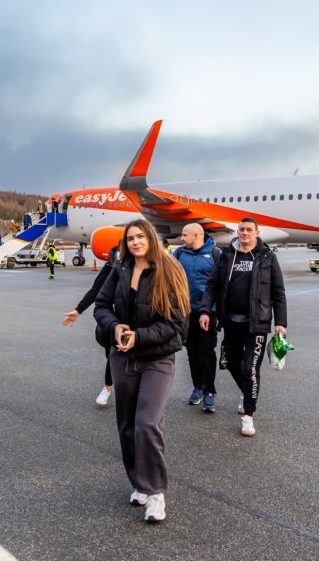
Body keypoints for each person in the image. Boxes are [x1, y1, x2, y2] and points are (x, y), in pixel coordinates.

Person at [93, 219, 190, 523]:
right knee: (126, 425)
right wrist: (116, 326)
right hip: (123, 357)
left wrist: (140, 336)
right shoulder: (119, 268)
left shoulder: (170, 270)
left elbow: (176, 325)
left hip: (157, 359)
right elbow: (101, 306)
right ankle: (140, 483)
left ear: (150, 238)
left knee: (147, 422)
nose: (135, 242)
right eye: (130, 238)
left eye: (140, 236)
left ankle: (156, 492)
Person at [200, 217, 287, 438]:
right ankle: (246, 392)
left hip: (256, 323)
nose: (244, 233)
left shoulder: (267, 257)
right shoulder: (227, 255)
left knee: (250, 369)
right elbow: (212, 285)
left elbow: (278, 292)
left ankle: (248, 415)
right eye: (241, 229)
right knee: (230, 363)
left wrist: (280, 323)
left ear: (257, 233)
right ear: (237, 232)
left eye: (249, 230)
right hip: (230, 321)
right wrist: (204, 310)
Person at [62, 243, 120, 406]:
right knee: (112, 354)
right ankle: (108, 388)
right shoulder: (111, 267)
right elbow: (96, 290)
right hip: (113, 319)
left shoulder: (144, 267)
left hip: (135, 319)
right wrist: (78, 310)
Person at [173, 223, 220, 413]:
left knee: (206, 352)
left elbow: (220, 285)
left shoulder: (216, 254)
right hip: (186, 313)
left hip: (207, 313)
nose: (181, 238)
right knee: (192, 352)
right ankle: (198, 387)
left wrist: (211, 311)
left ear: (197, 235)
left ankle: (209, 391)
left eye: (185, 235)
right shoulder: (178, 254)